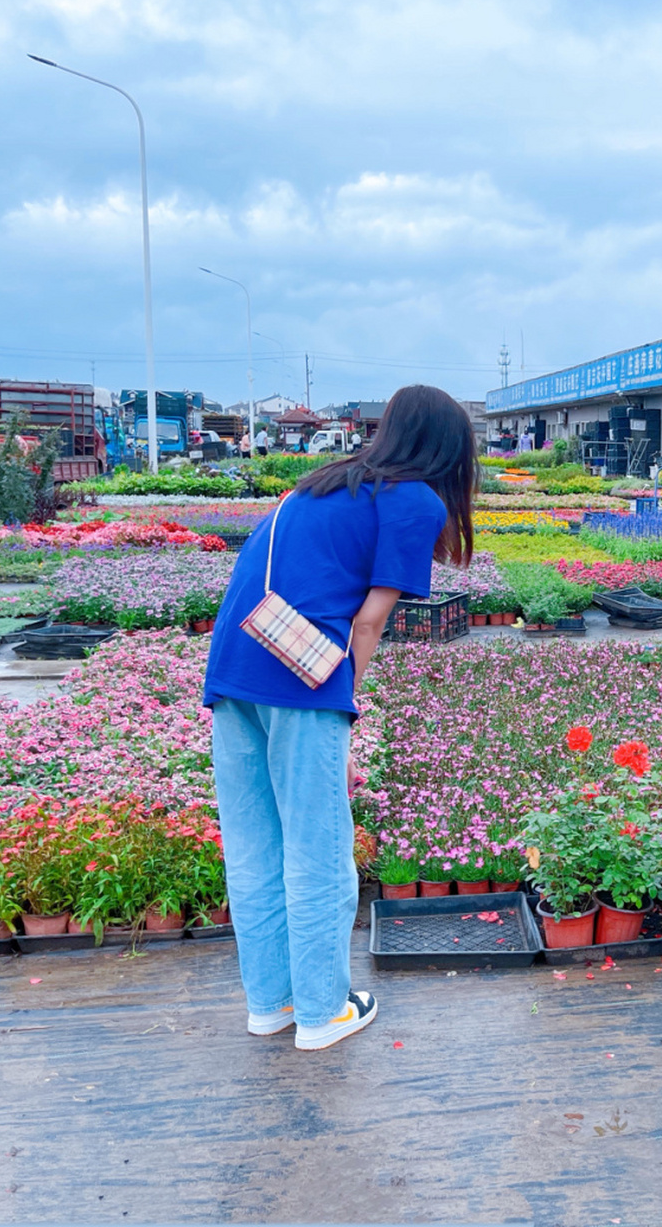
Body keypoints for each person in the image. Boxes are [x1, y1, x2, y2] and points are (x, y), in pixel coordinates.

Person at [203, 385, 476, 1050]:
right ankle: (323, 1013)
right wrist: (344, 697)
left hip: (235, 663)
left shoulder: (320, 485)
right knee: (319, 849)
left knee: (255, 846)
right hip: (301, 677)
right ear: (448, 447)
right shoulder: (414, 498)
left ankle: (271, 1005)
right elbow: (370, 619)